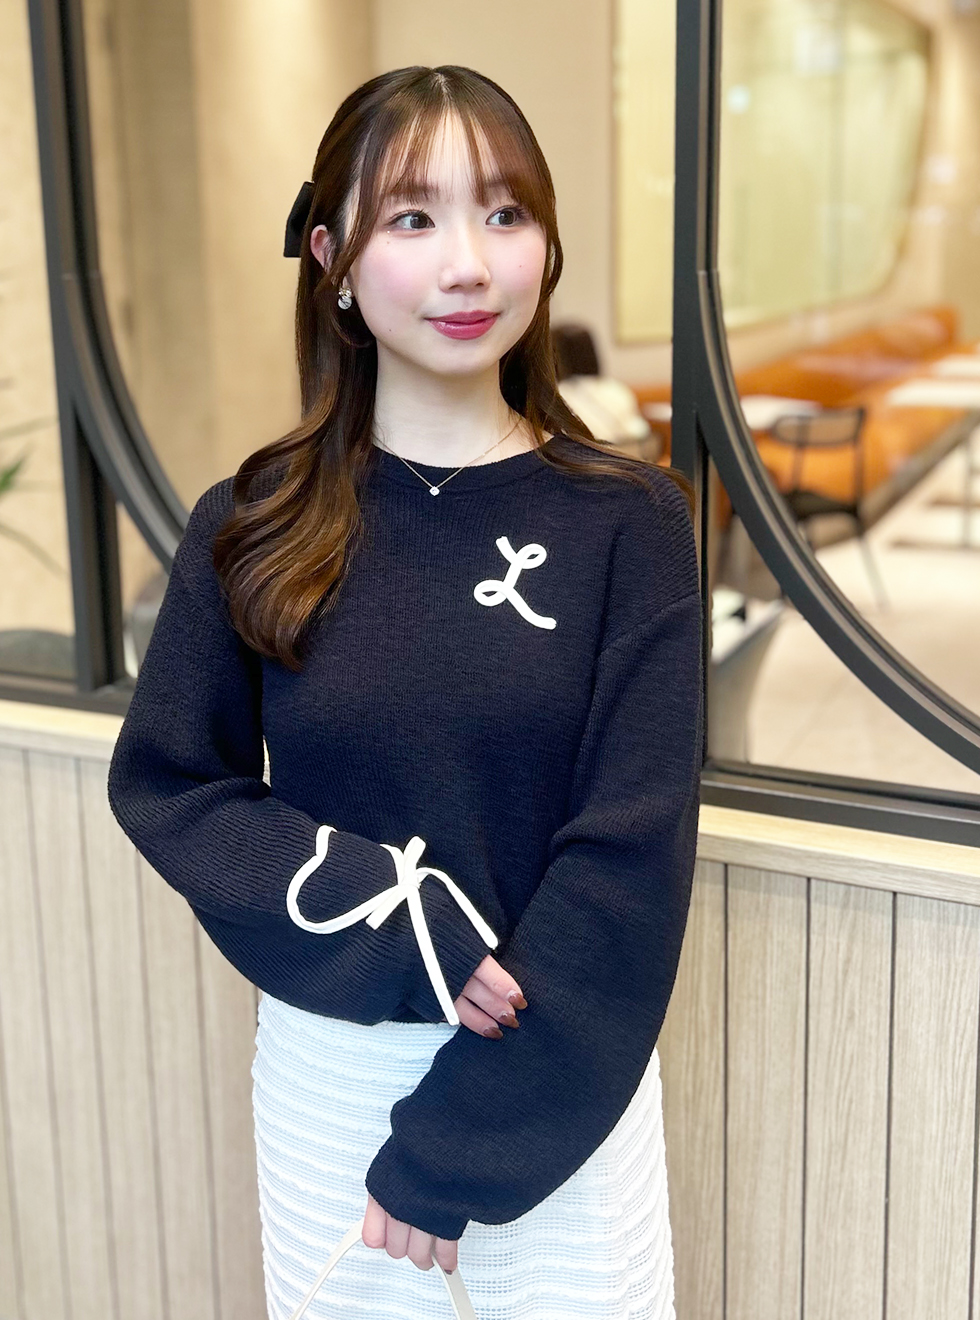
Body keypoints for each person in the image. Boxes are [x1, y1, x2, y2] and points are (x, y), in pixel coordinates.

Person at [107, 64, 704, 1320]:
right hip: (329, 1079)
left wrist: (456, 1148)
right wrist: (397, 913)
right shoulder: (251, 524)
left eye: (504, 213)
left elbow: (628, 863)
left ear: (546, 244)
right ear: (331, 257)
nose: (467, 266)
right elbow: (171, 787)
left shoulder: (628, 523)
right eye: (412, 218)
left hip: (556, 1085)